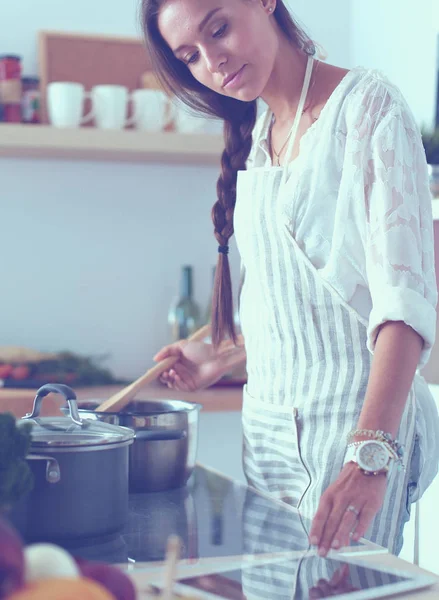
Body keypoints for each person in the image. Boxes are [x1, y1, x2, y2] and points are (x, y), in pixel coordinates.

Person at [144, 0, 439, 556]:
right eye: (191, 56)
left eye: (219, 28)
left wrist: (369, 456)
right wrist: (220, 354)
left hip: (350, 431)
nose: (213, 62)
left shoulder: (366, 106)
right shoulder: (259, 136)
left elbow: (405, 307)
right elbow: (301, 311)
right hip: (268, 433)